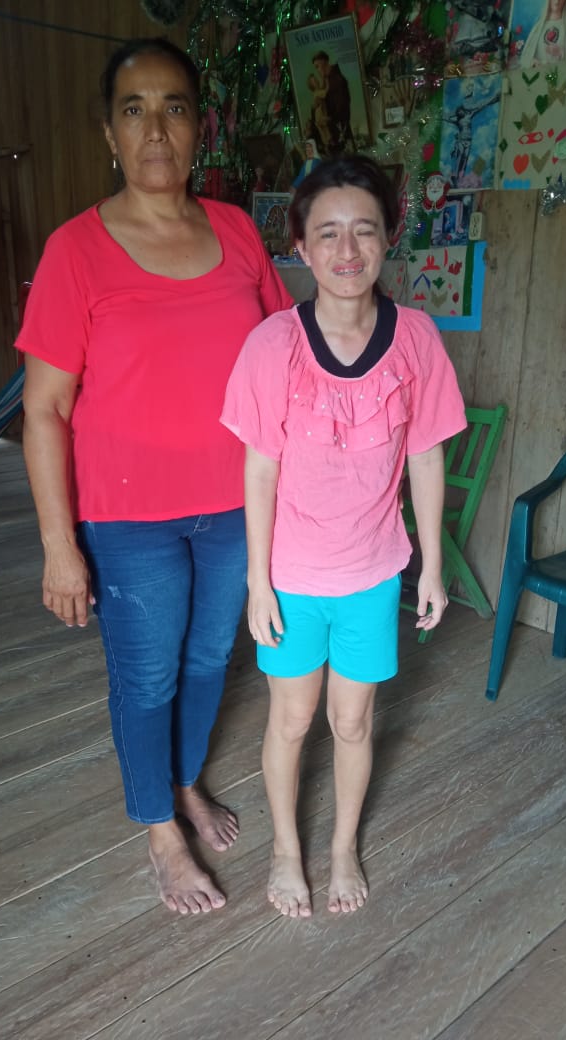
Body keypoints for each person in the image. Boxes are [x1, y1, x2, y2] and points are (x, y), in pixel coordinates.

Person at [17, 38, 293, 916]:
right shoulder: (76, 251)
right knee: (147, 677)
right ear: (110, 133)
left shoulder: (237, 232)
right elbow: (43, 411)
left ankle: (180, 782)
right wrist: (59, 548)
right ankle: (161, 833)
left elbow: (284, 360)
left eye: (173, 106)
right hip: (127, 517)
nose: (155, 128)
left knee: (210, 656)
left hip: (234, 505)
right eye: (133, 109)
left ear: (200, 125)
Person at [221, 156, 466, 917]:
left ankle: (341, 849)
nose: (347, 249)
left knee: (353, 720)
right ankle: (285, 852)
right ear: (300, 245)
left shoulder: (416, 339)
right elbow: (260, 470)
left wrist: (430, 566)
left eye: (365, 229)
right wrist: (258, 583)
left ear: (390, 236)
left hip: (371, 574)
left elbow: (426, 455)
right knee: (292, 718)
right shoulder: (273, 345)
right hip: (293, 578)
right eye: (327, 232)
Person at [520, 0, 566, 67]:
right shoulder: (538, 28)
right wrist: (532, 62)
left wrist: (561, 53)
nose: (557, 1)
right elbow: (526, 57)